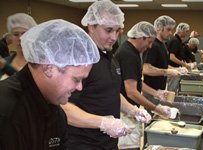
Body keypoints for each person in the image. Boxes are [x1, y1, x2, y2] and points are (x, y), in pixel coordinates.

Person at [61, 1, 152, 150]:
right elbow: (64, 108)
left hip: (108, 143)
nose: (114, 37)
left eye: (118, 31)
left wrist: (132, 110)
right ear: (91, 27)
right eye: (108, 30)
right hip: (83, 143)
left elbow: (110, 92)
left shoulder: (110, 57)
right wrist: (103, 123)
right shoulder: (80, 60)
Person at [0, 19, 100, 150]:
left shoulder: (56, 113)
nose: (80, 87)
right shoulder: (7, 111)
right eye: (76, 79)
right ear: (48, 68)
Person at [115, 21, 176, 150]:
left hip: (130, 109)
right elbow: (131, 91)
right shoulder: (128, 54)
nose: (150, 46)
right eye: (149, 42)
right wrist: (157, 109)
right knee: (130, 146)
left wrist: (155, 93)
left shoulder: (133, 52)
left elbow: (136, 82)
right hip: (125, 111)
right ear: (141, 37)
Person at [142, 15, 181, 105]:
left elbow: (162, 65)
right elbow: (146, 69)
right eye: (168, 29)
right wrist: (167, 72)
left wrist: (175, 69)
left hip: (160, 90)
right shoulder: (153, 45)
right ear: (159, 28)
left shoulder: (163, 45)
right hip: (151, 91)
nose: (171, 33)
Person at [0, 13, 37, 79]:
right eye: (16, 34)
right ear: (11, 37)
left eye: (24, 33)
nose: (20, 38)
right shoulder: (4, 62)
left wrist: (6, 67)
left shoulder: (39, 63)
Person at [166, 22, 191, 92]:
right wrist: (184, 65)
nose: (186, 33)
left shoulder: (177, 41)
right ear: (181, 31)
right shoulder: (175, 41)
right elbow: (172, 57)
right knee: (172, 90)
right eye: (186, 31)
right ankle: (169, 102)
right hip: (172, 68)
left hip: (174, 68)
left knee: (173, 89)